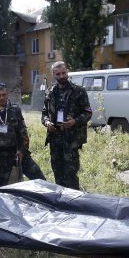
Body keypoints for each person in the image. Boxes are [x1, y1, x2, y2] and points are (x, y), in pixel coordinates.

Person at [0, 82, 46, 187]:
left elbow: (23, 131)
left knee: (39, 177)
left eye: (4, 95)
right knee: (1, 186)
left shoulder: (15, 109)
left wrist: (22, 151)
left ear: (7, 94)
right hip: (0, 155)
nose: (1, 98)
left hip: (17, 151)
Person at [41, 61, 92, 190]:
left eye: (64, 73)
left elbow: (88, 112)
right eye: (58, 74)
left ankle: (74, 203)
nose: (62, 76)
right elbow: (44, 114)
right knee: (57, 173)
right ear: (53, 75)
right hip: (55, 139)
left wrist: (74, 121)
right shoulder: (50, 92)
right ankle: (61, 203)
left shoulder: (79, 91)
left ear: (67, 72)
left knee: (71, 174)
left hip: (71, 139)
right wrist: (47, 123)